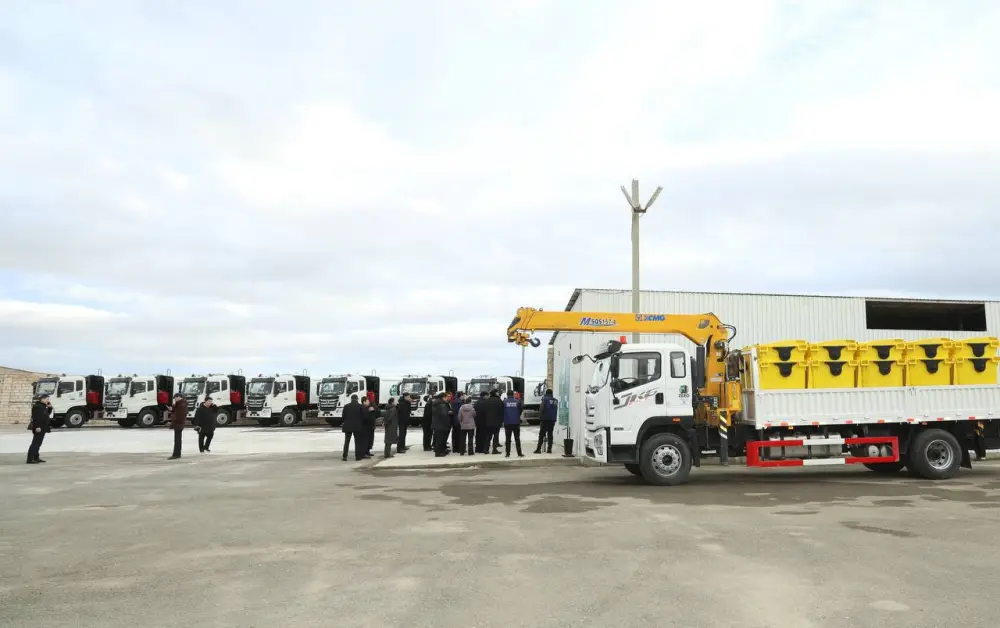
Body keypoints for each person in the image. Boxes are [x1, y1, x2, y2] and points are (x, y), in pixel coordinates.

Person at [26, 394, 52, 464]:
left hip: (42, 427)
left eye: (48, 399)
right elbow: (36, 418)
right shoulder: (38, 407)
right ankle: (30, 459)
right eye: (47, 399)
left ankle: (36, 458)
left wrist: (50, 408)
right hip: (39, 427)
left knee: (38, 444)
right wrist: (37, 427)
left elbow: (46, 415)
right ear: (42, 399)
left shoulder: (42, 406)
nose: (48, 401)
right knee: (35, 443)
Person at [341, 394, 365, 461]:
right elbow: (363, 416)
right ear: (357, 399)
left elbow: (343, 417)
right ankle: (358, 456)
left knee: (347, 442)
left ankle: (345, 456)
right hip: (357, 426)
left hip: (347, 426)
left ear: (351, 399)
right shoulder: (360, 406)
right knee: (357, 442)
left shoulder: (346, 406)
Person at [535, 388, 558, 454]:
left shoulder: (545, 399)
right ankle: (549, 449)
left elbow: (541, 409)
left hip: (545, 420)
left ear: (546, 393)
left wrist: (540, 417)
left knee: (541, 435)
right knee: (550, 435)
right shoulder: (555, 400)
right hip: (552, 420)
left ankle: (538, 449)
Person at [503, 392, 524, 458]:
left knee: (508, 439)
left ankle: (507, 453)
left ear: (507, 395)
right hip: (516, 422)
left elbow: (502, 411)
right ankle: (519, 453)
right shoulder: (518, 401)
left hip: (507, 422)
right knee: (517, 438)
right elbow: (520, 410)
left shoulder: (504, 402)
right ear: (513, 395)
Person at [483, 390, 505, 454]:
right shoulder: (499, 401)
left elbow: (484, 411)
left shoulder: (487, 401)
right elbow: (502, 411)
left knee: (488, 436)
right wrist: (502, 420)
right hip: (497, 422)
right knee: (495, 436)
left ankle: (486, 449)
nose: (498, 393)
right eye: (497, 392)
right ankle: (494, 449)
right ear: (495, 393)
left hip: (488, 421)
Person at [168, 393, 188, 460]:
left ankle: (176, 454)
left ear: (179, 397)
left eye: (175, 398)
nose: (175, 399)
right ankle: (177, 454)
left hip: (178, 423)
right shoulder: (181, 404)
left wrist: (175, 419)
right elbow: (176, 411)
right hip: (179, 423)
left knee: (177, 440)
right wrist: (172, 409)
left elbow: (179, 415)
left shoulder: (181, 405)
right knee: (178, 439)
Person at [431, 392, 452, 457]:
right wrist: (448, 414)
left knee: (439, 439)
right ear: (443, 397)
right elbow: (444, 415)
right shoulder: (442, 405)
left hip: (437, 424)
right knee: (440, 440)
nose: (447, 399)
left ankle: (440, 452)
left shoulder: (436, 403)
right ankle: (438, 453)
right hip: (441, 424)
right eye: (446, 397)